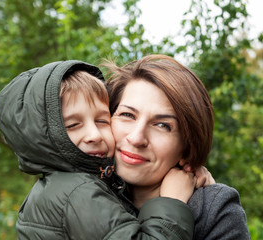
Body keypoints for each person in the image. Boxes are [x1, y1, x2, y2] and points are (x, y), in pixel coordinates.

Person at [0, 60, 202, 239]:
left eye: (102, 120)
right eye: (73, 125)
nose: (94, 135)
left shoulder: (71, 184)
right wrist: (172, 201)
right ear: (41, 137)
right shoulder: (77, 191)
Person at [103, 54, 251, 239]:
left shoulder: (214, 210)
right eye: (127, 115)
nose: (136, 138)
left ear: (188, 147)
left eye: (162, 125)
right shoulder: (80, 193)